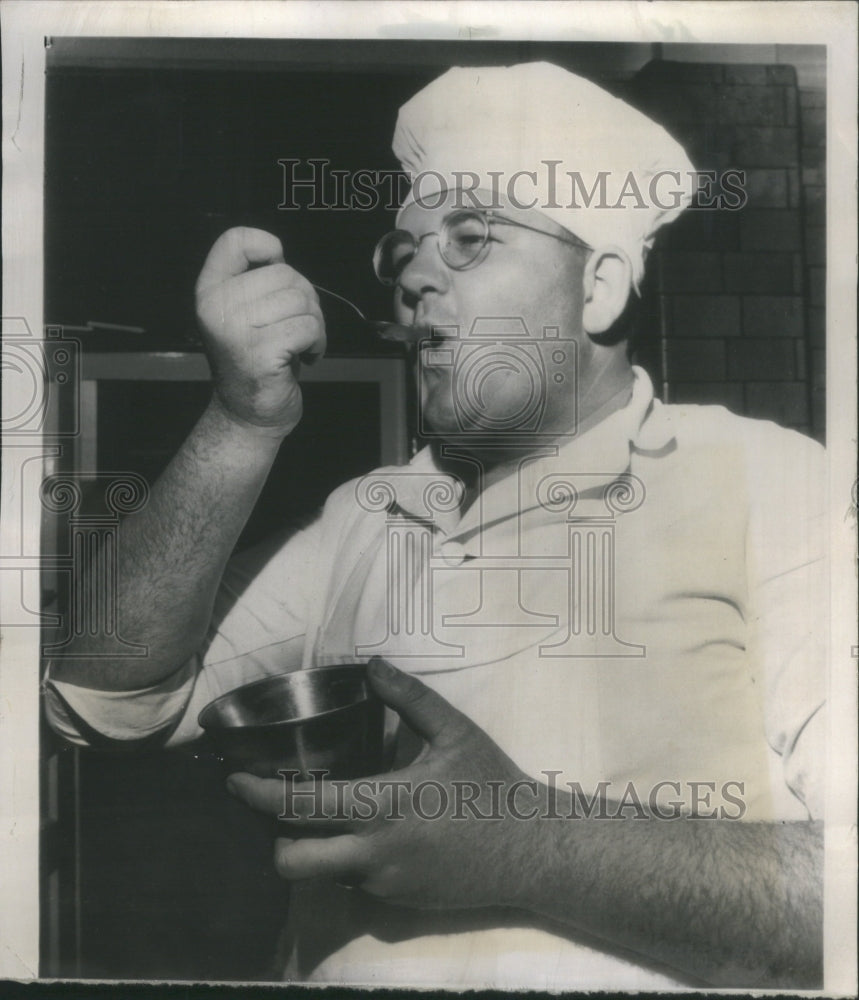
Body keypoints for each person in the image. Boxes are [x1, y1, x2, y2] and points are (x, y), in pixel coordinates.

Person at [44, 63, 825, 990]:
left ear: (600, 288)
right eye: (401, 248)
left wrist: (529, 846)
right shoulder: (366, 519)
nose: (413, 275)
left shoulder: (770, 484)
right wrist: (240, 421)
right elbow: (97, 700)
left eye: (468, 237)